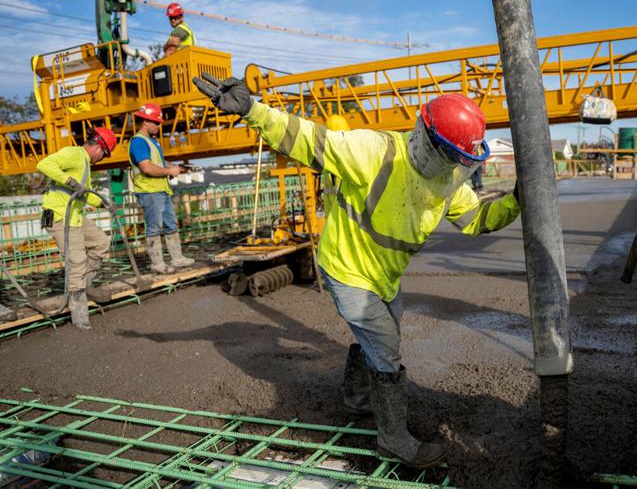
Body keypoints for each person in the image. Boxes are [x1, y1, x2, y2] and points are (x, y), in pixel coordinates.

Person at [193, 73, 521, 468]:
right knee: (385, 348)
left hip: (384, 275)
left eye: (459, 160)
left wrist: (519, 199)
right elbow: (307, 138)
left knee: (381, 338)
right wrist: (252, 109)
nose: (453, 165)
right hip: (347, 269)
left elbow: (477, 218)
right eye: (450, 156)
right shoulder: (375, 150)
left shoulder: (447, 178)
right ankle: (394, 439)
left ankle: (358, 398)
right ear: (428, 139)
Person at [36, 127, 118, 330]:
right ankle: (79, 312)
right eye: (104, 154)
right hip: (61, 216)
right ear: (99, 147)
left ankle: (85, 284)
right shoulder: (73, 154)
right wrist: (69, 180)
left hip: (75, 216)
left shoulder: (84, 164)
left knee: (101, 242)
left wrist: (102, 203)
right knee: (77, 261)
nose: (103, 158)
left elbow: (84, 193)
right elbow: (43, 164)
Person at [128, 103, 194, 274]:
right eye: (156, 123)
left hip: (161, 190)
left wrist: (172, 168)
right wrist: (168, 171)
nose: (159, 126)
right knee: (154, 227)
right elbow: (147, 168)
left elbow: (158, 163)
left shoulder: (152, 141)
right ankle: (157, 264)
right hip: (149, 192)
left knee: (171, 225)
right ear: (145, 122)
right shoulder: (138, 142)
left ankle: (177, 259)